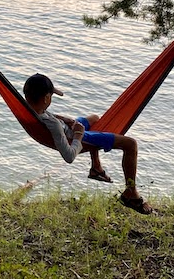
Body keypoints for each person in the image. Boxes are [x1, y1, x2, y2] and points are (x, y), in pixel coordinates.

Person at [22, 73, 153, 215]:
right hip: (76, 138)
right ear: (47, 98)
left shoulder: (28, 108)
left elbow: (45, 114)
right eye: (51, 96)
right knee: (130, 144)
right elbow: (69, 156)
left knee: (95, 119)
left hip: (67, 128)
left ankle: (96, 167)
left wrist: (64, 119)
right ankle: (131, 193)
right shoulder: (53, 125)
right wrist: (79, 134)